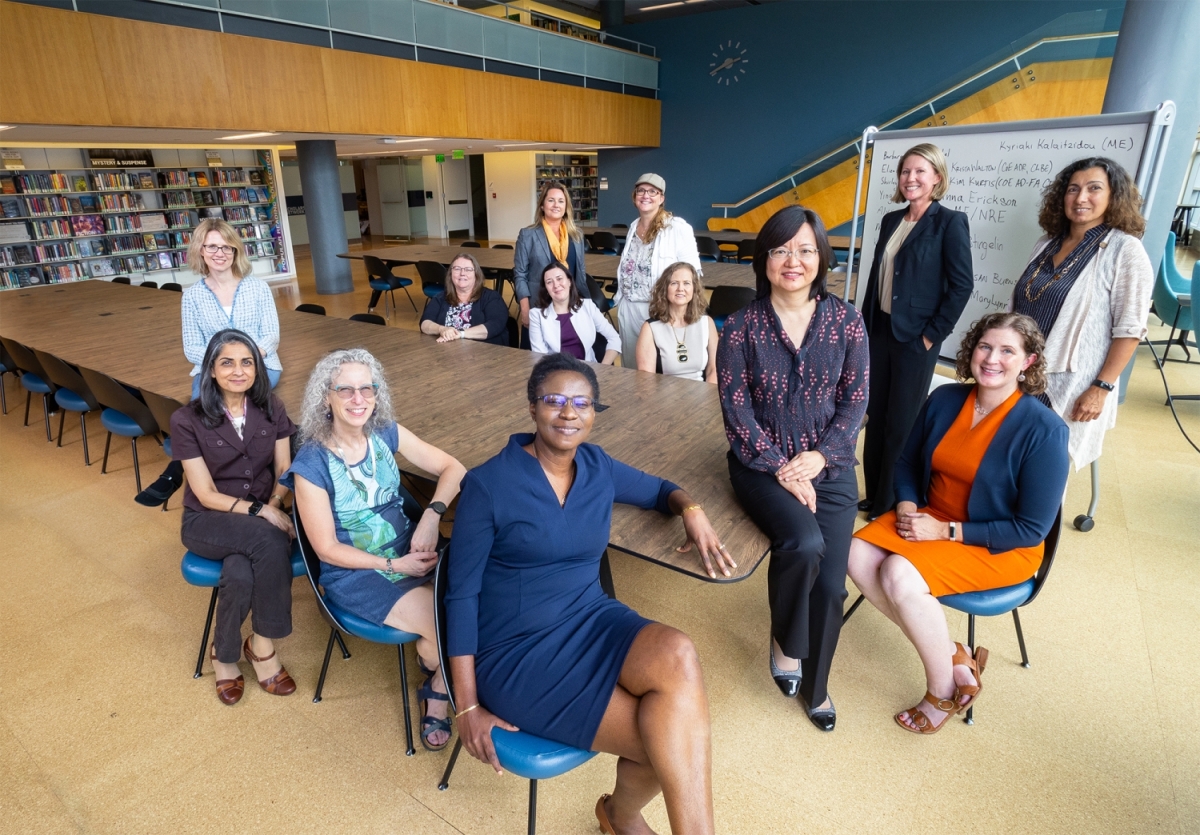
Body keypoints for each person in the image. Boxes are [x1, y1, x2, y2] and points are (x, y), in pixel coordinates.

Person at [447, 353, 732, 835]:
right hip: (517, 651)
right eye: (554, 400)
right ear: (532, 407)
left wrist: (692, 508)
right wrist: (467, 704)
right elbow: (460, 596)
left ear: (595, 412)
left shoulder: (597, 466)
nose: (568, 412)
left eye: (581, 403)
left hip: (591, 617)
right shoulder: (487, 485)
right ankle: (619, 815)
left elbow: (661, 489)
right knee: (664, 742)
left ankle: (625, 817)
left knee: (678, 651)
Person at [847, 312, 1069, 734]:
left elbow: (1031, 529)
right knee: (855, 552)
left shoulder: (1045, 430)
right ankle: (953, 653)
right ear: (972, 350)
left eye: (1008, 351)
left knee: (896, 572)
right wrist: (909, 505)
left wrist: (944, 531)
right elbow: (910, 460)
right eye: (986, 346)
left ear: (1029, 362)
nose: (992, 359)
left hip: (999, 544)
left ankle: (941, 689)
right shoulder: (946, 398)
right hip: (932, 519)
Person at [716, 205, 868, 732]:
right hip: (761, 464)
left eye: (804, 249)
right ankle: (785, 643)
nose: (793, 260)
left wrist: (821, 457)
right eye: (780, 250)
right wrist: (784, 467)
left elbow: (855, 402)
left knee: (830, 587)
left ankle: (818, 685)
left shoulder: (846, 320)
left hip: (830, 463)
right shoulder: (739, 327)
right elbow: (736, 411)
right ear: (764, 259)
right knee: (802, 543)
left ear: (821, 256)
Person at [287, 349, 467, 750]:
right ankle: (438, 692)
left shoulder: (387, 432)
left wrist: (431, 517)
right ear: (325, 397)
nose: (358, 399)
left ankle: (435, 666)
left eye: (367, 388)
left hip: (414, 547)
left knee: (485, 593)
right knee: (454, 621)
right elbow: (327, 548)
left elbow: (454, 468)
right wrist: (395, 563)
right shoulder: (311, 463)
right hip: (359, 572)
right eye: (345, 389)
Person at [171, 329, 297, 705]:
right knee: (270, 539)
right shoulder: (186, 418)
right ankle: (264, 649)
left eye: (247, 362)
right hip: (206, 521)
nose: (238, 371)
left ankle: (224, 655)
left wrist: (274, 503)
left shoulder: (272, 407)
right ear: (210, 369)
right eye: (227, 362)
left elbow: (284, 467)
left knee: (240, 571)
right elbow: (206, 494)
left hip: (259, 517)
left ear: (257, 368)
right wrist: (262, 513)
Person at [1011, 156, 1154, 471]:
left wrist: (1101, 389)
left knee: (1041, 471)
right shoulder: (1046, 243)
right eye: (1073, 189)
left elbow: (1130, 330)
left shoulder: (1125, 250)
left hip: (1068, 385)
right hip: (1019, 374)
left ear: (1113, 196)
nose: (1081, 198)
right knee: (1006, 462)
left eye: (1094, 188)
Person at [859, 143, 972, 520]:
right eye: (905, 172)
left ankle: (891, 501)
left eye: (920, 171)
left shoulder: (950, 222)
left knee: (901, 423)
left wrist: (931, 336)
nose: (911, 178)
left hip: (915, 338)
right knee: (875, 416)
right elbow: (878, 277)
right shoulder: (892, 220)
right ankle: (874, 495)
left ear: (937, 177)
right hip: (880, 332)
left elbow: (961, 286)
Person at [137, 218, 282, 506]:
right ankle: (202, 474)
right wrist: (223, 363)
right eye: (212, 246)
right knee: (200, 403)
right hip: (213, 368)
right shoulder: (191, 296)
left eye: (227, 247)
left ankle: (178, 469)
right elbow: (191, 347)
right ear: (200, 251)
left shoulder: (258, 288)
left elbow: (271, 336)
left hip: (262, 364)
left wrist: (243, 360)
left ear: (236, 251)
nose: (220, 253)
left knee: (237, 394)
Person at [614, 174, 703, 361]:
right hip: (628, 308)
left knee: (659, 368)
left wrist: (678, 310)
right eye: (641, 190)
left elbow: (692, 273)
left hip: (659, 311)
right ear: (634, 195)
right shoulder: (633, 227)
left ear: (661, 198)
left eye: (652, 191)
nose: (646, 195)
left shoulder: (677, 228)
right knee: (631, 367)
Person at [513, 181, 590, 329]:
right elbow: (520, 274)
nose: (556, 205)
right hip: (539, 305)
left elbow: (580, 272)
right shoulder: (528, 235)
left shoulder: (577, 235)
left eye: (561, 201)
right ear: (542, 205)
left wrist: (584, 304)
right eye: (551, 200)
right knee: (538, 352)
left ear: (566, 207)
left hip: (571, 305)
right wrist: (525, 309)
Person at [635, 261, 718, 383]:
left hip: (702, 395)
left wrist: (708, 399)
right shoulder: (650, 328)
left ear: (694, 289)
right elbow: (646, 382)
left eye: (687, 283)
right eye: (674, 283)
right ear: (665, 289)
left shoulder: (707, 323)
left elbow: (714, 369)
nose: (681, 289)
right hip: (665, 398)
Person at [528, 260, 620, 364]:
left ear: (569, 281)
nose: (556, 285)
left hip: (589, 371)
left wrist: (604, 367)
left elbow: (614, 338)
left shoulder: (588, 306)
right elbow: (540, 359)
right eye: (549, 282)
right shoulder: (536, 315)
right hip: (555, 373)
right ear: (546, 289)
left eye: (559, 279)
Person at [419, 252, 510, 346]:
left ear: (476, 275)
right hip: (446, 352)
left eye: (468, 270)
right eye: (457, 269)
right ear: (450, 274)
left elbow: (495, 325)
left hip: (485, 354)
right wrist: (442, 329)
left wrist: (460, 334)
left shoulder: (491, 297)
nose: (462, 273)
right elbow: (424, 324)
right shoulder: (441, 298)